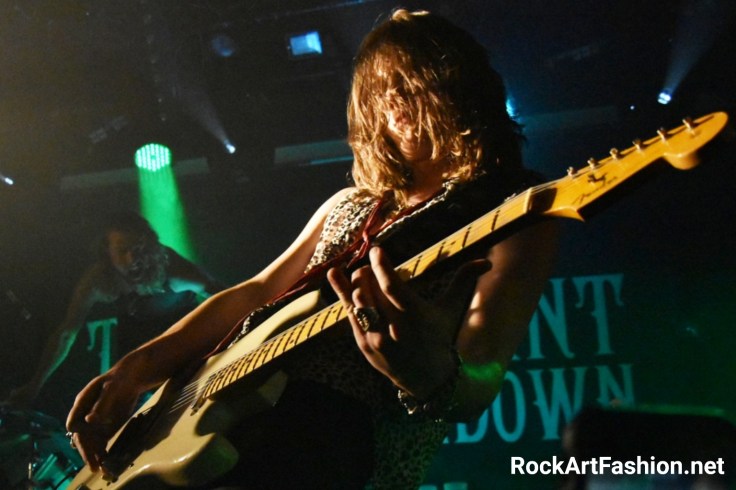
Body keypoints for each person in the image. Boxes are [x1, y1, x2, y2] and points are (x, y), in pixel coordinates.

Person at [66, 9, 559, 489]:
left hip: (347, 452)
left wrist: (429, 374)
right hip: (240, 434)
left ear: (460, 87)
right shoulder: (350, 203)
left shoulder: (515, 208)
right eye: (380, 87)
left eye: (413, 80)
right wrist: (137, 368)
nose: (394, 98)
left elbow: (481, 376)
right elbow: (257, 293)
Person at [4, 211, 223, 409]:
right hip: (142, 350)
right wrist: (34, 386)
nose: (132, 259)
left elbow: (223, 297)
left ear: (150, 246)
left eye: (138, 249)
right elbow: (66, 334)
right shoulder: (98, 280)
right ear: (107, 252)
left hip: (186, 344)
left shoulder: (174, 270)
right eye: (122, 250)